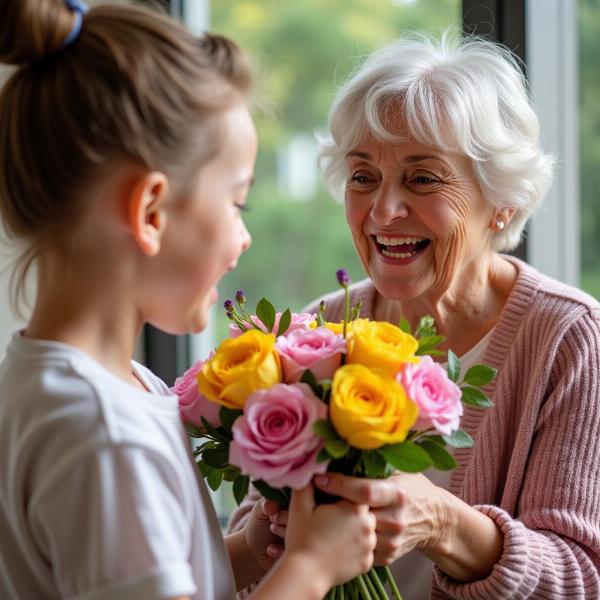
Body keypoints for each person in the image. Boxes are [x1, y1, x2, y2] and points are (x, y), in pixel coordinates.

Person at [0, 2, 378, 599]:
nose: (244, 235)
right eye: (236, 204)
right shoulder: (103, 433)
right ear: (150, 212)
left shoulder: (104, 387)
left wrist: (250, 555)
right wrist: (310, 569)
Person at [229, 32, 600, 599]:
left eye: (422, 178)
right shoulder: (318, 332)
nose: (383, 210)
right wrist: (269, 530)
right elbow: (253, 558)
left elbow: (582, 578)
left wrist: (442, 522)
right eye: (363, 177)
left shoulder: (569, 338)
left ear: (501, 200)